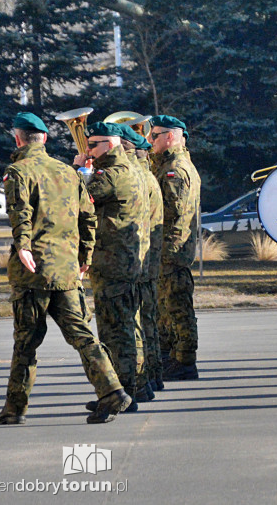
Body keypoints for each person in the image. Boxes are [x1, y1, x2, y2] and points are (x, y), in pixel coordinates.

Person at [0, 113, 131, 425]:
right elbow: (88, 216)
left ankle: (15, 409)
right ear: (44, 138)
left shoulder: (18, 171)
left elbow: (20, 212)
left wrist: (23, 246)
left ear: (18, 138)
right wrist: (85, 255)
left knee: (26, 343)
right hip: (67, 269)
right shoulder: (68, 173)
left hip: (34, 273)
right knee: (83, 335)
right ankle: (112, 391)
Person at [72, 122, 146, 410]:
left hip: (113, 262)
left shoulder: (112, 174)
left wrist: (79, 170)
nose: (87, 149)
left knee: (116, 331)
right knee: (122, 327)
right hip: (121, 261)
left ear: (110, 145)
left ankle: (124, 393)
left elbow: (77, 200)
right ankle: (127, 390)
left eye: (93, 145)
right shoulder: (127, 170)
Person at [149, 115, 202, 381]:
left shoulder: (175, 169)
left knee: (178, 308)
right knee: (166, 308)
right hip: (167, 249)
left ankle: (184, 362)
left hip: (173, 249)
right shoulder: (167, 164)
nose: (150, 140)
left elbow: (172, 209)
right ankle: (171, 356)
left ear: (170, 136)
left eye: (155, 136)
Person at [120, 125, 165, 395]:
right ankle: (151, 376)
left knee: (139, 322)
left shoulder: (135, 176)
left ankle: (142, 380)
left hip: (138, 259)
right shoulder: (145, 174)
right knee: (147, 320)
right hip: (146, 258)